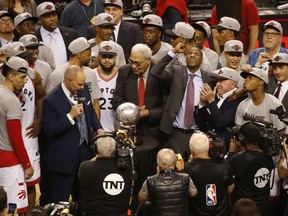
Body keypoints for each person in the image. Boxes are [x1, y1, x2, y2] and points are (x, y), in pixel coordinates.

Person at [42, 65, 104, 203]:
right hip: (63, 159)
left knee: (83, 197)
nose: (82, 87)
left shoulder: (84, 90)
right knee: (60, 200)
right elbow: (49, 130)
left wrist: (99, 129)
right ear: (68, 80)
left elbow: (90, 112)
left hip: (85, 152)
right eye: (79, 84)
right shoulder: (51, 100)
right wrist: (70, 116)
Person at [112, 43, 165, 193]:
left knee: (148, 179)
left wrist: (147, 113)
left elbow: (166, 107)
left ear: (148, 60)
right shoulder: (124, 72)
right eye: (131, 61)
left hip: (152, 133)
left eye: (137, 63)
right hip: (128, 134)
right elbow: (117, 100)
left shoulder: (159, 72)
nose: (133, 66)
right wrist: (131, 112)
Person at [150, 44, 215, 160]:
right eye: (189, 53)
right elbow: (155, 72)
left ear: (202, 59)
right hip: (176, 135)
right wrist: (173, 51)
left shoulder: (209, 78)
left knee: (195, 169)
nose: (192, 55)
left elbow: (229, 83)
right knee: (176, 167)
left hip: (198, 134)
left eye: (196, 54)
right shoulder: (176, 71)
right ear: (185, 58)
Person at [0, 56, 34, 214]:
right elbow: (15, 137)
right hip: (10, 163)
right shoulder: (11, 100)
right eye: (22, 77)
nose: (25, 81)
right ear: (10, 76)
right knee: (14, 209)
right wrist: (27, 164)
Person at [45, 37, 102, 118]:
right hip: (66, 123)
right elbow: (49, 105)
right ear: (79, 55)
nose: (90, 58)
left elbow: (95, 102)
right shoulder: (58, 74)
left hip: (87, 123)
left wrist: (97, 128)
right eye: (88, 54)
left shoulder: (90, 73)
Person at [228, 122, 274, 216]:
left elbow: (225, 172)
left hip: (245, 210)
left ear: (241, 139)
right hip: (265, 207)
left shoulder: (238, 159)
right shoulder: (268, 158)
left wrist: (231, 152)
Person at [78, 136, 133, 216]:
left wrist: (97, 155)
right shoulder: (127, 169)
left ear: (95, 150)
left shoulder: (85, 167)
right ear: (116, 150)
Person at [185, 132, 234, 216]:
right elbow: (230, 189)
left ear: (191, 150)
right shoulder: (224, 165)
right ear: (208, 147)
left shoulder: (187, 169)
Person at [138, 148, 197, 216]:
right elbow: (193, 193)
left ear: (158, 163)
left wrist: (157, 176)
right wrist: (181, 171)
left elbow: (141, 199)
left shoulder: (150, 181)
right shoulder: (185, 179)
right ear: (175, 162)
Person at [196, 67, 243, 148]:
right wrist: (202, 103)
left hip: (226, 146)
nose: (217, 84)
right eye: (217, 81)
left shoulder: (238, 100)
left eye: (221, 81)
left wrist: (211, 102)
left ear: (233, 84)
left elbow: (220, 123)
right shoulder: (215, 97)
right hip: (210, 144)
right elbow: (200, 123)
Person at [35, 2, 77, 68]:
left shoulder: (71, 33)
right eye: (48, 16)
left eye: (54, 15)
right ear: (39, 20)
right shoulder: (35, 37)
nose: (52, 19)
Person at [95, 41, 119, 132]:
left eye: (110, 57)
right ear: (99, 57)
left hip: (117, 128)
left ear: (115, 57)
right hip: (97, 129)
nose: (107, 60)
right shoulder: (92, 74)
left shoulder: (122, 75)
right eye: (104, 56)